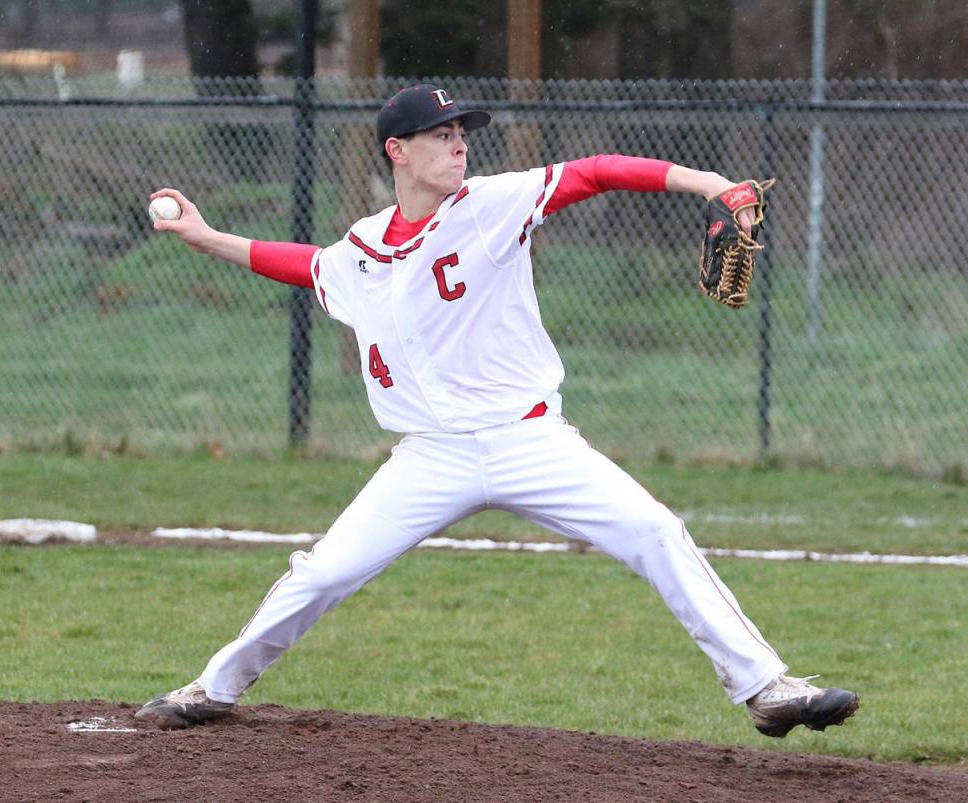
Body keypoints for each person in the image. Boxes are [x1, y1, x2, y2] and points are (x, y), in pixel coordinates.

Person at [135, 84, 859, 738]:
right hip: (430, 456)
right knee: (321, 574)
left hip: (531, 440)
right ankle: (213, 688)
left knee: (654, 530)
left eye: (462, 132)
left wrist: (711, 183)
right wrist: (204, 237)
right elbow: (303, 264)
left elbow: (597, 170)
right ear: (399, 150)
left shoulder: (491, 204)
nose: (460, 143)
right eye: (442, 134)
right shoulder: (360, 248)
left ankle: (765, 688)